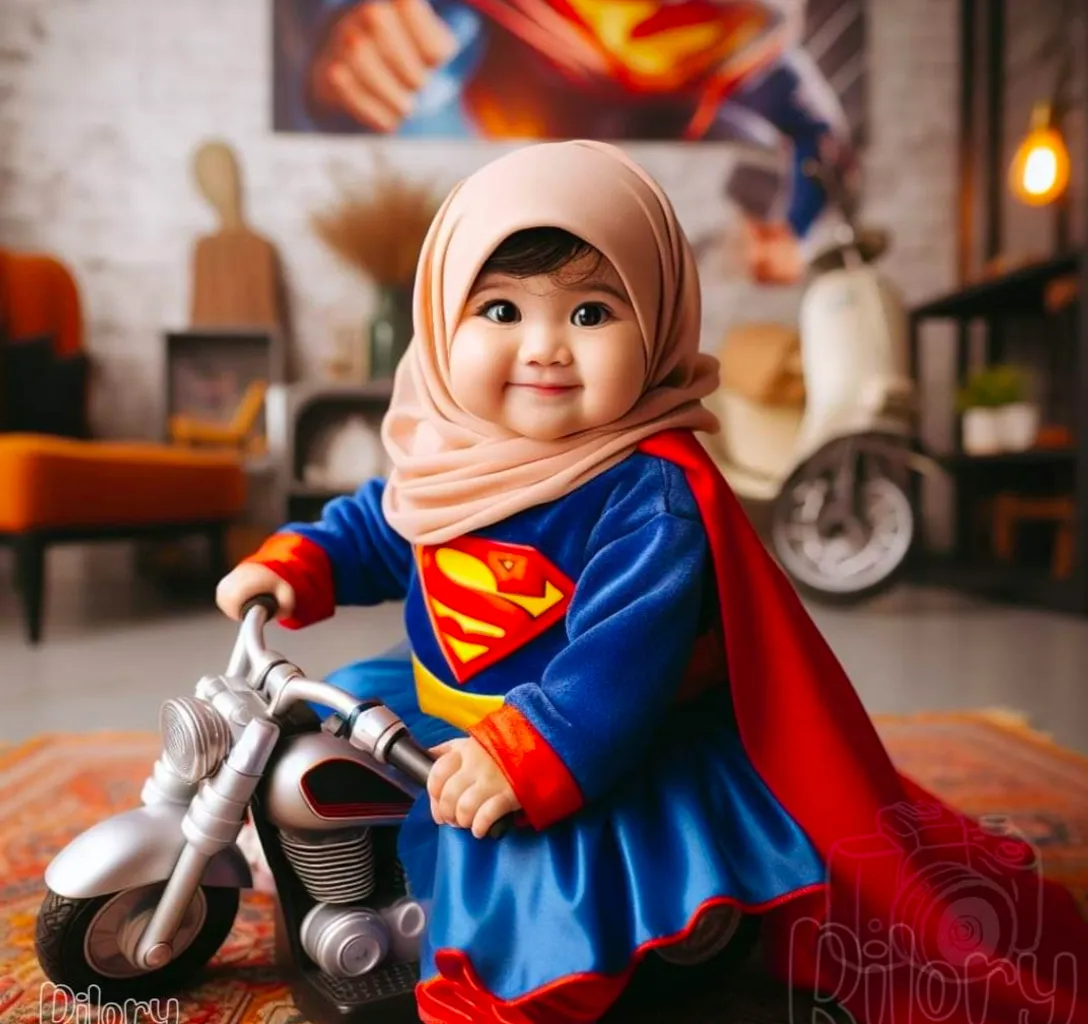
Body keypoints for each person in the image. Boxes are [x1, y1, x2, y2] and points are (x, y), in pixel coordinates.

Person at [218, 142, 1088, 1024]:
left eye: (593, 312)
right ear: (441, 323)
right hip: (448, 701)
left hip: (588, 734)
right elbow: (384, 521)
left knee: (527, 878)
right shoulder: (447, 447)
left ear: (662, 322)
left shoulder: (646, 489)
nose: (547, 348)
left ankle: (534, 967)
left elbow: (622, 653)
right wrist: (301, 563)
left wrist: (528, 752)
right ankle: (336, 876)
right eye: (502, 310)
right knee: (306, 733)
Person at [274, 0, 854, 284]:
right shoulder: (455, 35)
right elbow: (372, 38)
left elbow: (819, 134)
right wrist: (342, 42)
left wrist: (795, 235)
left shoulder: (748, 49)